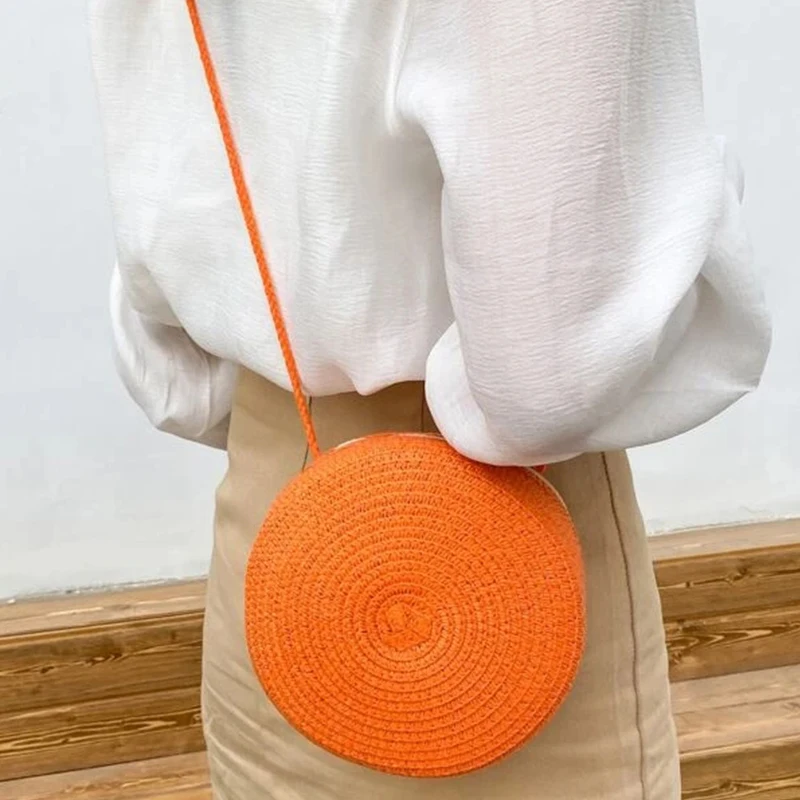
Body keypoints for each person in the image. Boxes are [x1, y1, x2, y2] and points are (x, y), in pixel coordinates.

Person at [89, 0, 770, 797]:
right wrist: (694, 207)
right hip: (498, 564)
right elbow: (546, 379)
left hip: (276, 537)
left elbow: (180, 344)